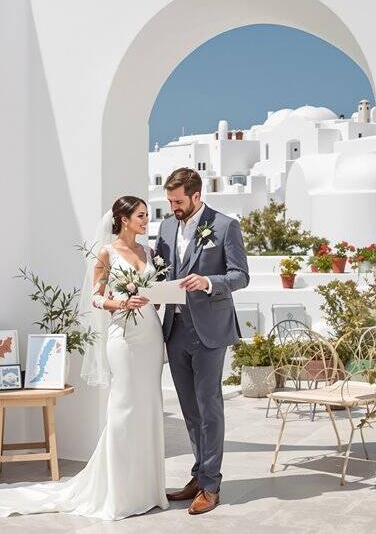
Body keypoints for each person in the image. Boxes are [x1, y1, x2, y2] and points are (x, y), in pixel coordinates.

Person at [0, 196, 169, 520]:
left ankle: (148, 490)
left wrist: (155, 298)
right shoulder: (106, 253)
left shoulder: (148, 253)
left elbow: (155, 292)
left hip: (151, 333)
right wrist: (120, 304)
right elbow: (94, 298)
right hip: (123, 336)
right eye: (141, 215)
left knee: (149, 406)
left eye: (147, 215)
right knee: (123, 407)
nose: (146, 220)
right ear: (122, 218)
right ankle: (119, 492)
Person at [154, 167, 249, 515]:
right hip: (174, 330)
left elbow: (241, 276)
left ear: (196, 196)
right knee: (190, 410)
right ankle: (198, 474)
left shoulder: (225, 226)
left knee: (209, 407)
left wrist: (208, 282)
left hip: (210, 330)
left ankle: (211, 485)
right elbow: (160, 269)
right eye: (169, 201)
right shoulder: (165, 227)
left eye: (178, 202)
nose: (173, 208)